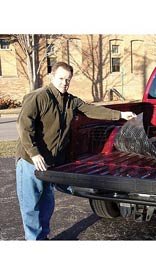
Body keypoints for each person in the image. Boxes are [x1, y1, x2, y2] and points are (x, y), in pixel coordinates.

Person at [15, 61, 136, 240]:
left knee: (47, 203)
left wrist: (119, 115)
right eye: (61, 78)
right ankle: (33, 241)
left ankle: (43, 237)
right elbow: (24, 126)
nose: (65, 83)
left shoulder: (70, 100)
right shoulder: (38, 97)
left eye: (68, 79)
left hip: (51, 162)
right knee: (31, 206)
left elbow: (91, 110)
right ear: (52, 77)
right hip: (31, 160)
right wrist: (34, 152)